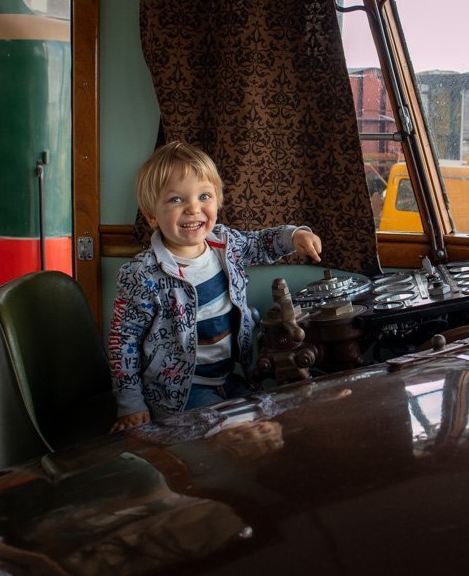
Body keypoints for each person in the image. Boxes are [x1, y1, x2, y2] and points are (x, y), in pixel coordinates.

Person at [109, 141, 323, 432]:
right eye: (175, 200)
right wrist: (130, 405)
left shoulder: (225, 244)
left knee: (274, 418)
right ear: (150, 215)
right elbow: (124, 344)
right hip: (178, 394)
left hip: (229, 377)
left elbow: (259, 243)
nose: (193, 208)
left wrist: (293, 236)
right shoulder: (142, 275)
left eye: (204, 196)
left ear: (218, 200)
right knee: (234, 433)